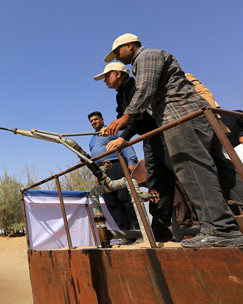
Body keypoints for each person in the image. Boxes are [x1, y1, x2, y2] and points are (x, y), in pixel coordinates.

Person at [102, 33, 243, 248]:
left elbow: (145, 90)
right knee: (221, 169)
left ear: (129, 46)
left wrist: (124, 118)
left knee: (193, 170)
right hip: (194, 116)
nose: (118, 57)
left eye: (118, 52)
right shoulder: (150, 58)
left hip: (178, 119)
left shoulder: (145, 58)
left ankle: (219, 228)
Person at [93, 62, 182, 241]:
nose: (104, 81)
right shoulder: (120, 96)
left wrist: (123, 138)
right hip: (149, 139)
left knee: (185, 175)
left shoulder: (134, 87)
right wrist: (114, 127)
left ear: (118, 74)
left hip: (162, 134)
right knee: (156, 181)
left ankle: (216, 220)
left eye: (106, 76)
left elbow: (138, 116)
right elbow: (124, 118)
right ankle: (159, 230)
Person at [88, 111, 140, 244]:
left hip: (116, 166)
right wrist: (97, 174)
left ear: (102, 119)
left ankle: (140, 231)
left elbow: (125, 145)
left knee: (125, 199)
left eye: (96, 119)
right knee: (112, 203)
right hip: (103, 172)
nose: (94, 122)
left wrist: (132, 162)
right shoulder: (92, 139)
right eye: (92, 121)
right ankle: (127, 234)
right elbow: (94, 158)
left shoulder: (112, 130)